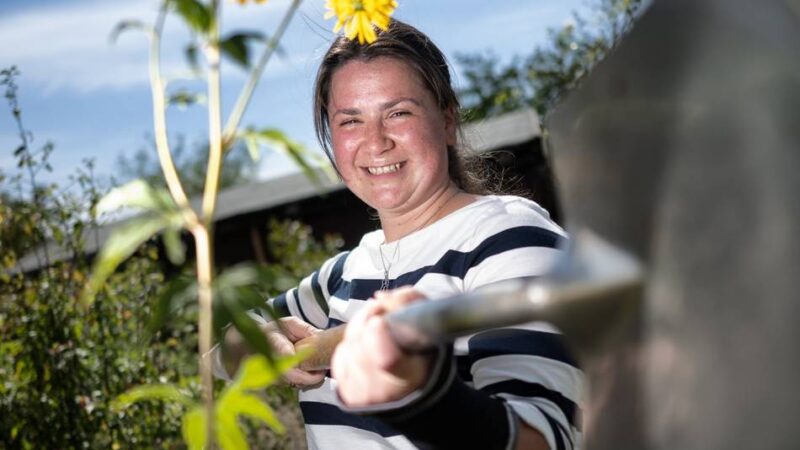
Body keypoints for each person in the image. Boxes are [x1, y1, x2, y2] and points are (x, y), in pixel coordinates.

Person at [216, 20, 582, 450]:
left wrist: (425, 397)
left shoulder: (509, 238)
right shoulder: (343, 274)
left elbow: (544, 439)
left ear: (447, 120)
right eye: (350, 121)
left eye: (398, 113)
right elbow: (221, 348)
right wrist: (261, 342)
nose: (376, 142)